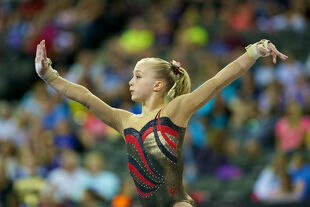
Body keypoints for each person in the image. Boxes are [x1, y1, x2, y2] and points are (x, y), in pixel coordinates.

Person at [35, 39, 287, 207]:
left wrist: (253, 52)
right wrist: (49, 76)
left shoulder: (174, 111)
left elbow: (217, 81)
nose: (130, 81)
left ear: (158, 85)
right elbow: (87, 98)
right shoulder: (125, 120)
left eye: (137, 75)